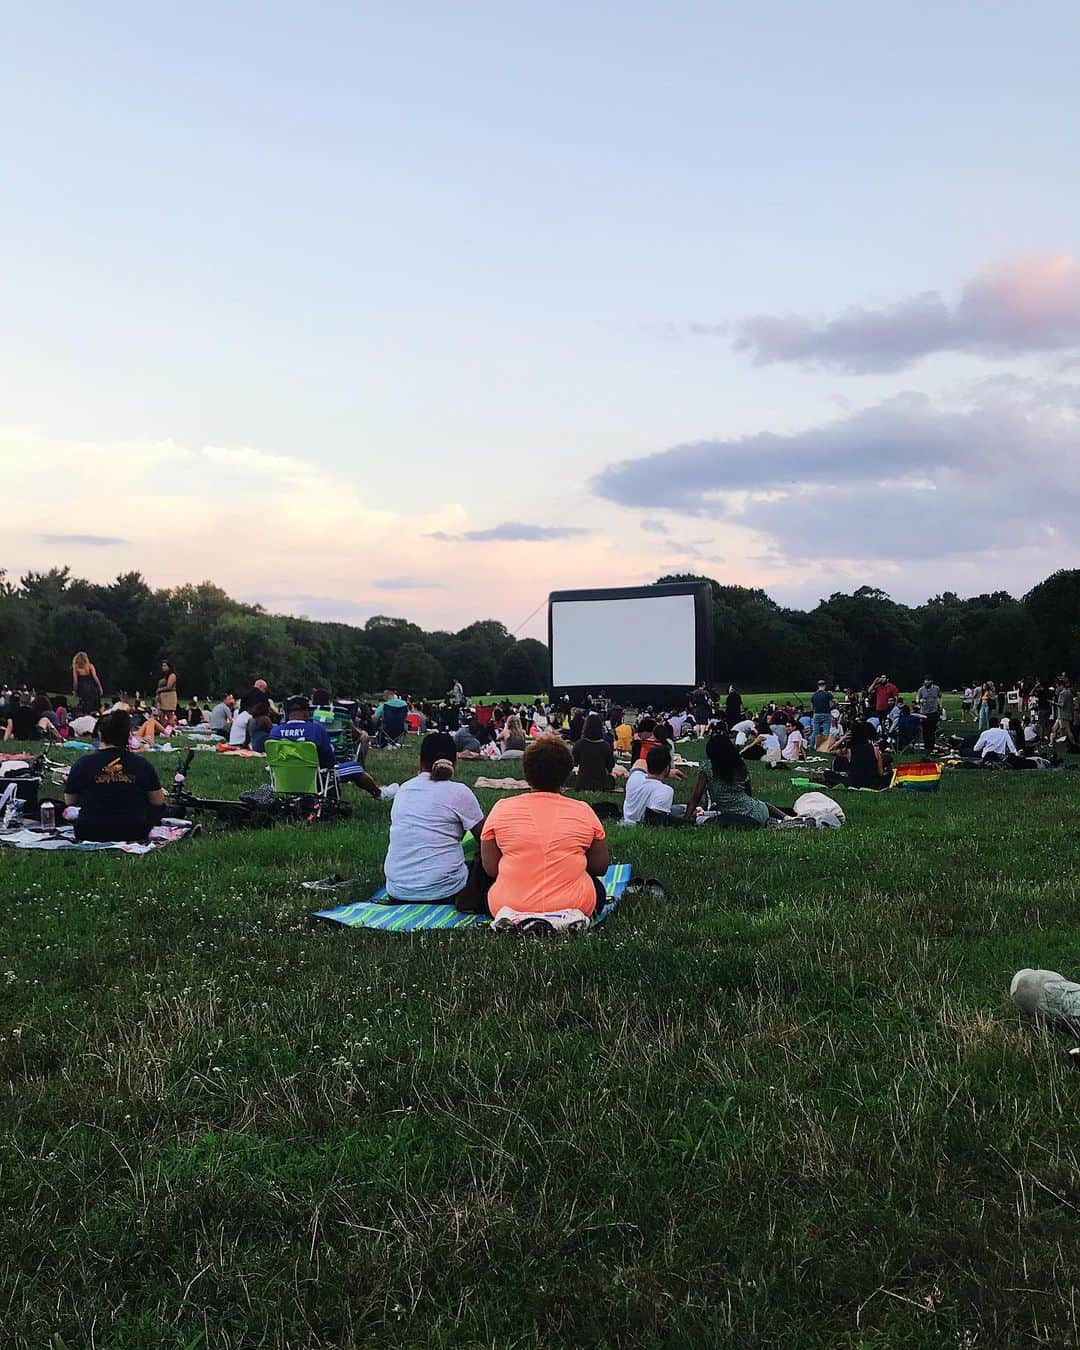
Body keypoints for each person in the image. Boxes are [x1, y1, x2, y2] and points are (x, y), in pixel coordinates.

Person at [480, 737, 610, 918]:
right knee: (598, 889)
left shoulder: (501, 808)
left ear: (527, 773)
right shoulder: (583, 811)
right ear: (566, 773)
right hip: (575, 905)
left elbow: (491, 869)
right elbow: (600, 867)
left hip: (508, 905)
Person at [381, 733, 484, 902]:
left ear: (420, 761)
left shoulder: (404, 790)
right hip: (446, 891)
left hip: (398, 890)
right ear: (455, 762)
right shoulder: (459, 792)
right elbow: (485, 838)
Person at [63, 710, 165, 841]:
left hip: (89, 830)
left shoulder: (82, 764)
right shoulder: (143, 765)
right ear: (128, 735)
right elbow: (158, 801)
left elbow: (70, 801)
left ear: (100, 734)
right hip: (135, 830)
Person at [684, 732, 786, 825]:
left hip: (735, 817)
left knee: (701, 820)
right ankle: (787, 818)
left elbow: (696, 797)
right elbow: (749, 795)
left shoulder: (707, 768)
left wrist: (685, 820)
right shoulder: (740, 766)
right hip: (758, 812)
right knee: (760, 804)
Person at [622, 744, 684, 825]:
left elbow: (639, 762)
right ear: (667, 768)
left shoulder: (635, 778)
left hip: (627, 819)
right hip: (642, 823)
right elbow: (655, 820)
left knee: (682, 808)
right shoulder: (665, 790)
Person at [267, 696, 335, 767]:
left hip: (282, 776)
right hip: (313, 775)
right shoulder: (316, 729)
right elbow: (329, 759)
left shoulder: (274, 732)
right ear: (306, 713)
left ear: (287, 714)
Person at [573, 712, 619, 790]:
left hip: (582, 782)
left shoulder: (579, 744)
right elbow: (610, 766)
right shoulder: (605, 746)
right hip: (601, 783)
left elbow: (574, 763)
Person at [915, 675, 942, 753]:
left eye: (928, 680)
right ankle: (927, 746)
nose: (927, 682)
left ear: (931, 681)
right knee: (925, 730)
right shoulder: (921, 689)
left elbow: (940, 697)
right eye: (925, 680)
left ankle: (932, 745)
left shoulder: (936, 688)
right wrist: (920, 701)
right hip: (924, 713)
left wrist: (940, 705)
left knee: (932, 730)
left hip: (933, 712)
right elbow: (917, 699)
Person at [1051, 677, 1076, 749]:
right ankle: (1052, 743)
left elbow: (1062, 704)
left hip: (1063, 715)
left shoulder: (1063, 693)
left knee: (1068, 730)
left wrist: (1053, 703)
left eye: (1058, 686)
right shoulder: (1069, 692)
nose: (1057, 688)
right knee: (1054, 728)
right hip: (1065, 714)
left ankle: (1074, 744)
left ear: (1061, 685)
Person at [810, 680, 833, 749]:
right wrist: (831, 707)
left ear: (818, 686)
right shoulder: (827, 694)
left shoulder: (814, 695)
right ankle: (823, 747)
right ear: (825, 686)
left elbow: (811, 706)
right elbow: (835, 701)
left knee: (815, 731)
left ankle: (811, 746)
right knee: (826, 731)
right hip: (826, 713)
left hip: (816, 714)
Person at [155, 660, 178, 725]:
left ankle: (172, 729)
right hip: (162, 697)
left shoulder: (172, 675)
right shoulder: (165, 676)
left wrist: (159, 689)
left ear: (169, 667)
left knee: (169, 714)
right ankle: (164, 729)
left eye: (165, 666)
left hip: (169, 696)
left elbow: (169, 686)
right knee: (161, 714)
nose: (163, 667)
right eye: (162, 666)